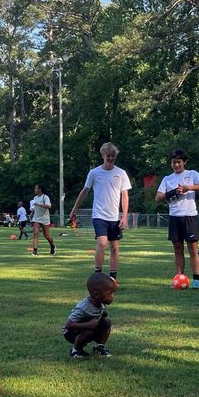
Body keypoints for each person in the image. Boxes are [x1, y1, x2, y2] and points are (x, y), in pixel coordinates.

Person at [68, 143, 131, 283]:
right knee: (102, 244)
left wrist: (125, 216)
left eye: (113, 156)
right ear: (103, 156)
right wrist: (74, 209)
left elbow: (125, 196)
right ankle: (97, 275)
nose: (110, 158)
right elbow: (85, 191)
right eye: (108, 156)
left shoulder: (121, 173)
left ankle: (112, 278)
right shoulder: (94, 173)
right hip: (99, 215)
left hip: (114, 217)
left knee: (114, 247)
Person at [156, 148, 199, 287]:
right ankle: (179, 278)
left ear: (184, 162)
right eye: (174, 162)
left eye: (179, 162)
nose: (176, 165)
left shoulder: (192, 174)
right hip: (174, 217)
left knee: (192, 249)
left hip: (190, 216)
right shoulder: (167, 179)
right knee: (178, 249)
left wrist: (188, 188)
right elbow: (158, 198)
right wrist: (172, 193)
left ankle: (196, 280)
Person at [63, 272, 116, 359]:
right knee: (88, 330)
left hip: (90, 327)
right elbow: (68, 325)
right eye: (110, 294)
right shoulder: (83, 308)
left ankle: (99, 347)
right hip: (71, 333)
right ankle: (75, 351)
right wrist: (88, 325)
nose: (113, 296)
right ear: (96, 294)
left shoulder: (100, 302)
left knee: (107, 321)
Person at [30, 183, 56, 255]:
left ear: (40, 189)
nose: (34, 190)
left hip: (45, 219)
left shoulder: (45, 197)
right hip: (36, 218)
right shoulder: (35, 198)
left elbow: (49, 206)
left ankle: (52, 246)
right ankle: (35, 251)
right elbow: (35, 207)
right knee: (35, 233)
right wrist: (32, 212)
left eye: (36, 188)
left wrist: (38, 204)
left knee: (47, 235)